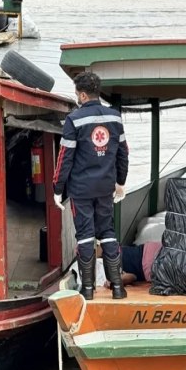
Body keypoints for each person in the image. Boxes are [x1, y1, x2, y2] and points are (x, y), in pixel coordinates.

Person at [53, 72, 129, 300]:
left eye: (77, 93)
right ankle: (117, 288)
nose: (77, 97)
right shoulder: (115, 118)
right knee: (107, 232)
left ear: (83, 95)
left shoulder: (74, 120)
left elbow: (64, 157)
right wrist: (121, 183)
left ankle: (87, 290)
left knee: (85, 235)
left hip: (82, 189)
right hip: (106, 187)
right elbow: (123, 154)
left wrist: (57, 188)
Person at [96, 241, 162, 287]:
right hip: (146, 266)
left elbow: (103, 246)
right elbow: (132, 277)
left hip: (143, 257)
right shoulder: (100, 281)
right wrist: (114, 281)